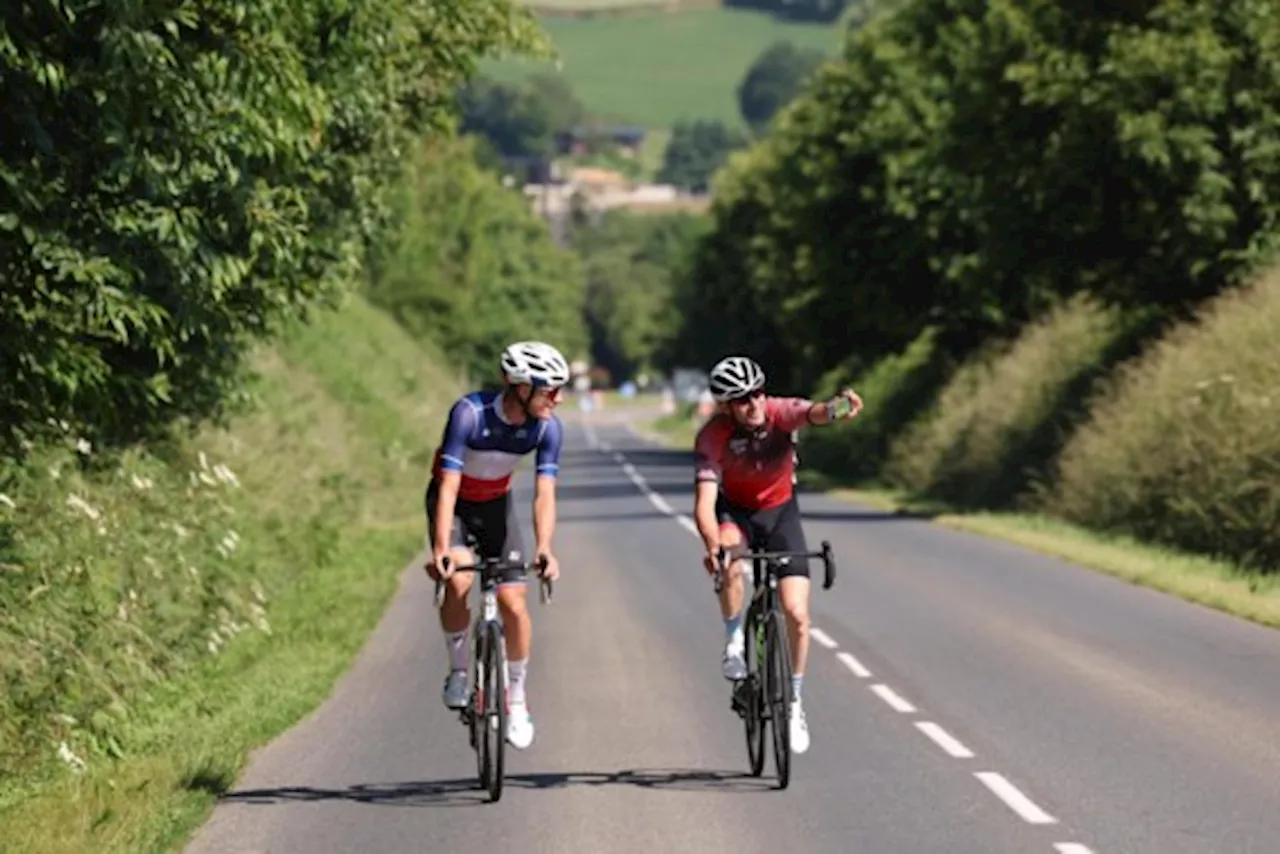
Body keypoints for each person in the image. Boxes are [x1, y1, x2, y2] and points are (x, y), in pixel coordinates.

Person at [692, 355, 862, 755]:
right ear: (726, 406)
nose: (753, 404)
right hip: (736, 513)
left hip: (781, 511)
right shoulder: (712, 436)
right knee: (729, 558)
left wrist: (840, 406)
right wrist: (712, 544)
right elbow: (704, 502)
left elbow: (815, 413)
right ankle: (734, 638)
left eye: (757, 394)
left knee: (797, 614)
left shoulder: (779, 413)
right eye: (741, 399)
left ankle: (794, 703)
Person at [424, 340, 570, 750]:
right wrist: (441, 549)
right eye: (548, 390)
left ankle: (517, 699)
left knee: (515, 604)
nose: (556, 399)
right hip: (452, 505)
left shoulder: (546, 428)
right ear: (519, 386)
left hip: (495, 508)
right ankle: (458, 672)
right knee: (459, 582)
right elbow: (448, 484)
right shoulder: (469, 415)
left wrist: (545, 546)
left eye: (560, 390)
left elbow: (545, 493)